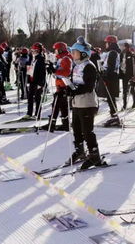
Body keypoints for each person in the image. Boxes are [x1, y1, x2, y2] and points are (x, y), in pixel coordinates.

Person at [67, 36, 102, 170]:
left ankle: (94, 155)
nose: (72, 54)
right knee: (76, 129)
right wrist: (67, 88)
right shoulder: (77, 66)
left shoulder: (89, 66)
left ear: (83, 53)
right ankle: (80, 150)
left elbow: (88, 86)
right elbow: (74, 83)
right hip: (77, 103)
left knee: (87, 131)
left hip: (87, 103)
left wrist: (74, 91)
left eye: (74, 52)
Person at [42, 42, 73, 132]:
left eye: (56, 49)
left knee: (55, 105)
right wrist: (52, 70)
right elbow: (59, 72)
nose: (54, 51)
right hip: (60, 85)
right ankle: (65, 124)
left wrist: (54, 71)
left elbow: (66, 73)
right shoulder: (61, 58)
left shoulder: (66, 58)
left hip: (64, 85)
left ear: (60, 50)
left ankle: (52, 124)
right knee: (63, 106)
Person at [101, 35, 122, 127]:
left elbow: (111, 66)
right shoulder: (112, 52)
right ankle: (113, 115)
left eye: (106, 43)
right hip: (112, 76)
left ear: (110, 43)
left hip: (111, 76)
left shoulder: (112, 52)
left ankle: (114, 117)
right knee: (110, 98)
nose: (105, 44)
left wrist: (106, 76)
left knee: (110, 97)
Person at [22, 42, 46, 120]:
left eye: (34, 50)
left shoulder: (41, 59)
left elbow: (42, 72)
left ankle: (37, 114)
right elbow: (30, 70)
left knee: (37, 98)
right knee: (30, 97)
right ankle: (29, 113)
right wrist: (28, 81)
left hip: (38, 81)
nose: (32, 52)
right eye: (32, 50)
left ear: (38, 50)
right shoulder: (32, 58)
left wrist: (41, 83)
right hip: (32, 81)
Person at [120, 43, 135, 110]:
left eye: (126, 47)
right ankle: (124, 105)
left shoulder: (131, 54)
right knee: (124, 90)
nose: (124, 48)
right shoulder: (122, 54)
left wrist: (133, 56)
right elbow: (120, 62)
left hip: (130, 75)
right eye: (124, 47)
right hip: (124, 74)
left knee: (132, 89)